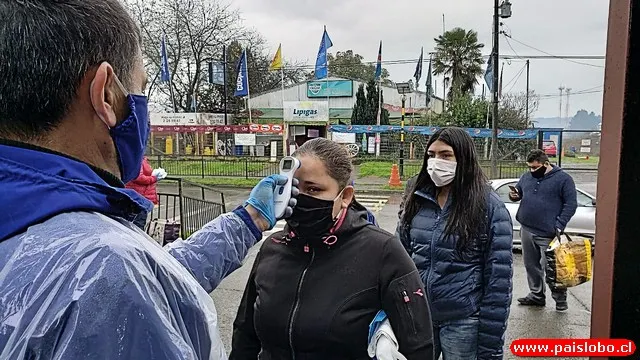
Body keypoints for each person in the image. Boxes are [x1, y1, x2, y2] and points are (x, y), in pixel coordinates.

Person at [0, 1, 297, 358]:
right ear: (106, 94)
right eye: (140, 91)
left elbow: (159, 282)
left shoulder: (54, 242)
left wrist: (247, 220)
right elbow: (123, 286)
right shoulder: (102, 267)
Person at [230, 138, 434, 360]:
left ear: (345, 196)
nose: (300, 198)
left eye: (313, 189)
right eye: (294, 188)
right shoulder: (272, 247)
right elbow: (245, 334)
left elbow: (418, 345)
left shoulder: (383, 252)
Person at [397, 127, 513, 360]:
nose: (436, 162)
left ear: (464, 157)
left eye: (445, 155)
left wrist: (490, 348)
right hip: (420, 316)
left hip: (464, 321)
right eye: (431, 155)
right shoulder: (417, 199)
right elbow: (399, 259)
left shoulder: (488, 206)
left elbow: (498, 282)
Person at [508, 149, 578, 311]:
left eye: (535, 167)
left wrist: (559, 225)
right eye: (530, 167)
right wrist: (514, 195)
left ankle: (560, 300)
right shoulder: (527, 177)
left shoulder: (564, 179)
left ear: (546, 164)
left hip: (549, 234)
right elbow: (519, 193)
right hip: (526, 229)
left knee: (553, 269)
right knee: (531, 265)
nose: (532, 171)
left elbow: (570, 204)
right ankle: (536, 295)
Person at [125, 156, 167, 229]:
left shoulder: (141, 159)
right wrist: (154, 178)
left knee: (137, 221)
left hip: (140, 195)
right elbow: (138, 177)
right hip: (140, 195)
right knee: (138, 223)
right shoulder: (137, 160)